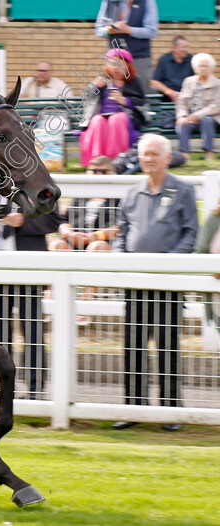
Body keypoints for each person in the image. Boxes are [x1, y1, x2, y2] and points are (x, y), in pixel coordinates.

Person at [111, 133, 198, 431]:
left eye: (153, 154)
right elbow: (122, 233)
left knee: (167, 345)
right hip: (135, 284)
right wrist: (121, 257)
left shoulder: (183, 190)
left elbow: (190, 234)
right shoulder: (132, 193)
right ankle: (134, 408)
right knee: (133, 346)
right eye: (144, 154)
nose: (148, 159)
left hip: (168, 284)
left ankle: (170, 410)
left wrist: (167, 264)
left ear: (167, 158)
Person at [0, 191, 64, 400]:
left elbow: (54, 221)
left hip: (28, 271)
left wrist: (23, 221)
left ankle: (35, 389)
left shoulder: (36, 188)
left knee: (32, 332)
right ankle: (3, 387)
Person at [79, 48, 145, 167]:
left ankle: (116, 160)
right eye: (112, 64)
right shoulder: (102, 80)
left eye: (120, 65)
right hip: (102, 116)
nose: (116, 68)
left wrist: (124, 100)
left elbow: (141, 102)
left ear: (127, 67)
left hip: (125, 117)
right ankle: (97, 161)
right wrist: (96, 87)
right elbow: (86, 97)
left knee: (116, 119)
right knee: (97, 121)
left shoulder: (134, 82)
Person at [49, 156, 120, 252]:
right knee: (57, 245)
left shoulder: (118, 198)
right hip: (75, 240)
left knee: (96, 247)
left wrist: (96, 236)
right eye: (94, 171)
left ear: (112, 174)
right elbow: (63, 220)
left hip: (104, 241)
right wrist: (69, 234)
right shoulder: (81, 197)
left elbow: (120, 227)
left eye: (103, 171)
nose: (98, 175)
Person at [95, 0, 158, 93]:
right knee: (110, 95)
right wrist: (110, 30)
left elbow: (152, 31)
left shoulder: (147, 1)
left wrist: (129, 30)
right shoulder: (108, 1)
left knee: (140, 94)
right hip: (114, 59)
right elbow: (98, 30)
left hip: (139, 58)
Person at [176, 53, 220, 162]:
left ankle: (209, 152)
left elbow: (216, 105)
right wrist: (182, 115)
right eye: (200, 66)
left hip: (210, 117)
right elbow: (182, 102)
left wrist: (197, 115)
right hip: (191, 117)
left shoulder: (217, 84)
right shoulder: (188, 81)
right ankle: (185, 154)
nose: (202, 68)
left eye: (205, 66)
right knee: (182, 124)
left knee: (207, 121)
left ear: (211, 68)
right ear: (195, 68)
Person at [150, 36, 193, 103]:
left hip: (187, 98)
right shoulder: (164, 59)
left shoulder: (191, 60)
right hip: (166, 98)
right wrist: (170, 93)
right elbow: (154, 82)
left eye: (187, 47)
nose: (186, 50)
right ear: (175, 48)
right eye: (183, 47)